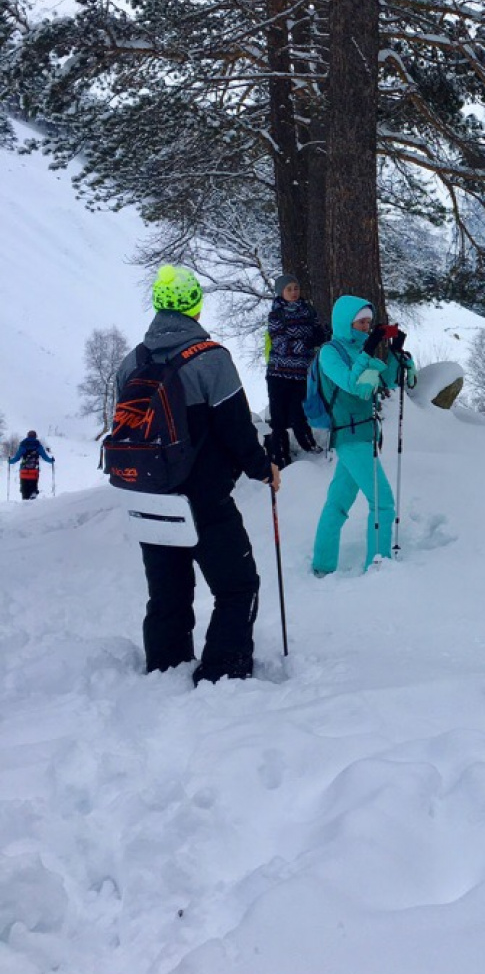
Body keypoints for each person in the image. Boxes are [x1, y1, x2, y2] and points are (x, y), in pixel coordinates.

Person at [116, 265, 280, 685]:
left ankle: (165, 668)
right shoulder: (211, 359)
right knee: (237, 586)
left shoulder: (131, 362)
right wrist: (264, 469)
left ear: (157, 303)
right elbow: (236, 429)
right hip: (204, 499)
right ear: (195, 304)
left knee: (167, 592)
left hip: (148, 495)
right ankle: (223, 671)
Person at [312, 295, 417, 576]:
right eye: (361, 323)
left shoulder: (361, 351)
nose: (366, 328)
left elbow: (384, 382)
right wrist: (370, 350)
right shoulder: (330, 353)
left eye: (369, 324)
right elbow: (352, 384)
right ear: (346, 323)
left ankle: (322, 567)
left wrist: (395, 354)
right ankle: (378, 565)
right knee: (383, 503)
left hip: (365, 435)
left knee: (337, 505)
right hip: (350, 437)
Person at [264, 272, 328, 468]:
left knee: (298, 413)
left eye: (296, 288)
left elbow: (320, 331)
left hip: (301, 373)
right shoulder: (276, 314)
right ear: (280, 292)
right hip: (278, 373)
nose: (293, 292)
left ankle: (309, 446)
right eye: (289, 289)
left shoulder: (308, 311)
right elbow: (281, 344)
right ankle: (280, 456)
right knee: (278, 418)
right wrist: (307, 343)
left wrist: (322, 335)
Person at [8, 430, 54, 499]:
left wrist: (10, 461)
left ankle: (24, 504)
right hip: (34, 472)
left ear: (27, 436)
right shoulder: (38, 445)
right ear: (35, 436)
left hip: (24, 472)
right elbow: (45, 457)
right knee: (33, 489)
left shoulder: (23, 445)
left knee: (24, 491)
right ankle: (33, 503)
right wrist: (51, 460)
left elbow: (16, 458)